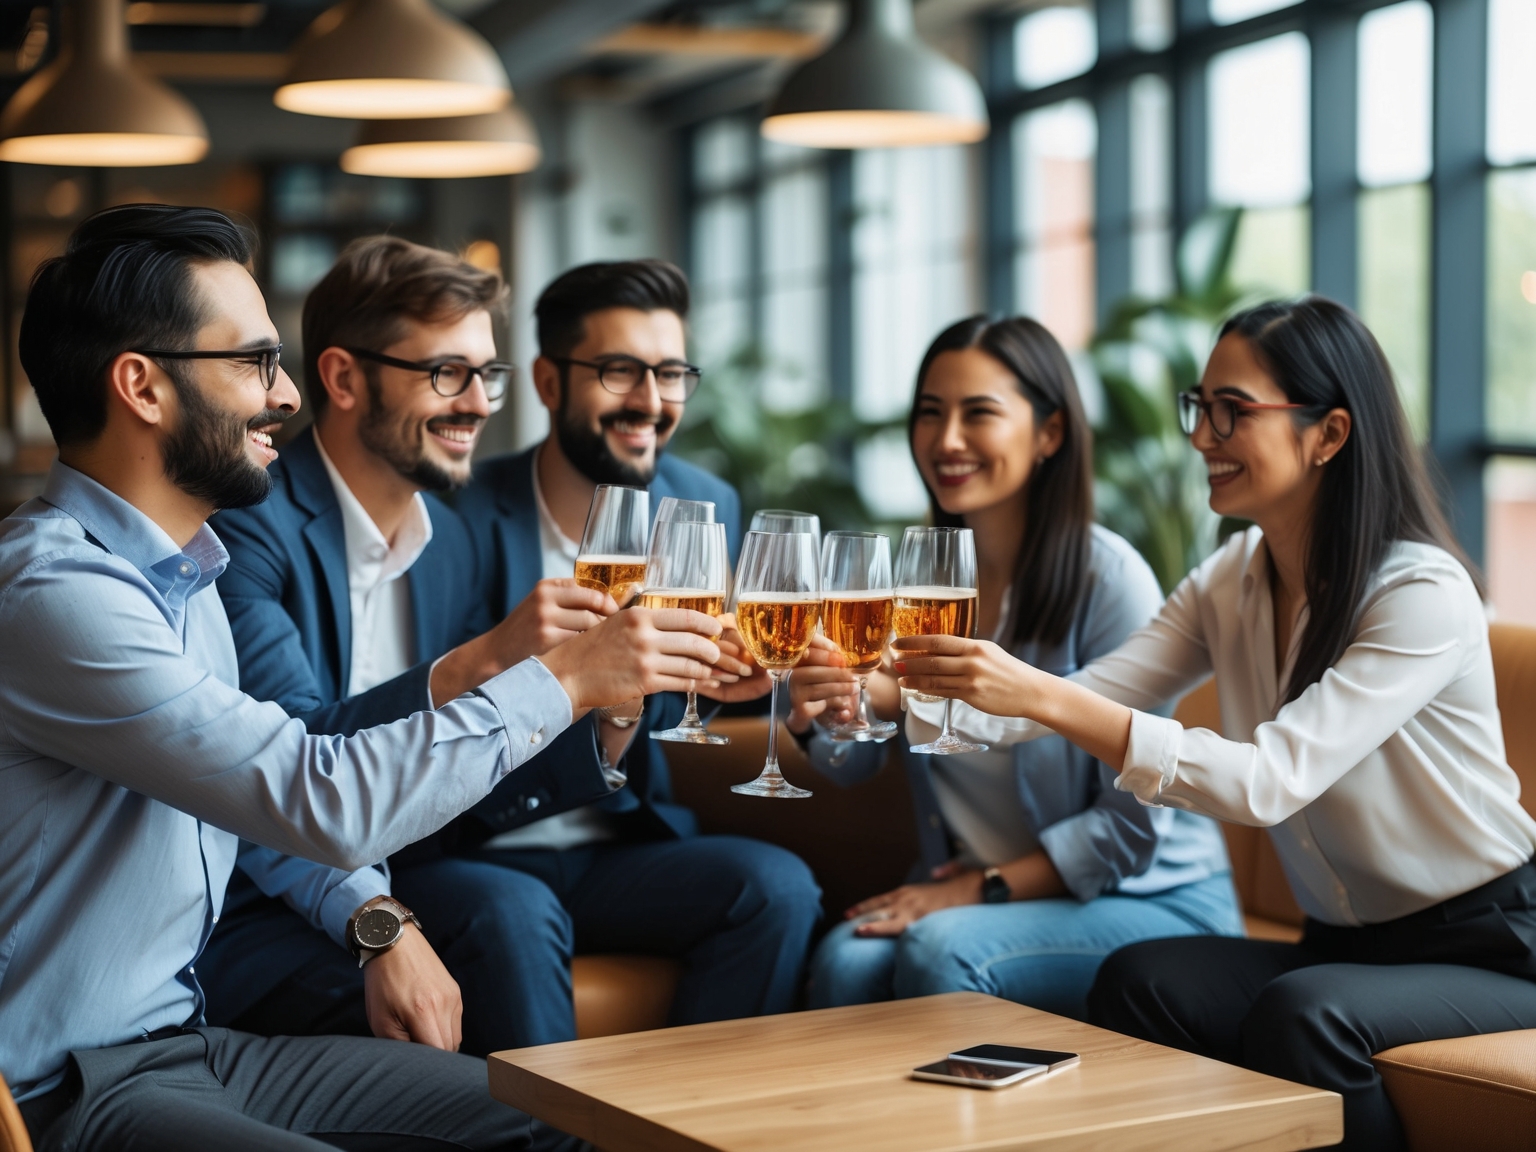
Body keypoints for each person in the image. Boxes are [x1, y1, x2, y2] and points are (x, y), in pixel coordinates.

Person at [0, 205, 727, 1151]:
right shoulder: (57, 594)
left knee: (570, 1122)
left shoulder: (186, 575)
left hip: (189, 1046)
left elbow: (250, 798)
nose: (287, 395)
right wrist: (565, 679)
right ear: (141, 386)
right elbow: (317, 794)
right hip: (66, 1087)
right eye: (254, 361)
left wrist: (377, 921)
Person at [892, 298, 1536, 1152]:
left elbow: (1268, 781)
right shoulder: (1231, 580)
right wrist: (874, 688)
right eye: (1201, 408)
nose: (1202, 437)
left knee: (1308, 1014)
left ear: (1329, 433)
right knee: (1142, 979)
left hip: (1490, 944)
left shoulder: (1421, 593)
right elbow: (1070, 699)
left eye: (1232, 411)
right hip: (1346, 944)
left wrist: (1041, 695)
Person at [198, 237, 764, 1055]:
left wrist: (609, 709)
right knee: (507, 906)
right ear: (344, 378)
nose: (478, 403)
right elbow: (291, 767)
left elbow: (463, 769)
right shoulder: (251, 524)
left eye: (485, 374)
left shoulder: (448, 540)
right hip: (272, 899)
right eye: (446, 373)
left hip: (425, 863)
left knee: (760, 886)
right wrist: (490, 658)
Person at [786, 315, 1241, 1019]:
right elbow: (855, 764)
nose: (947, 441)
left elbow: (1130, 828)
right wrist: (828, 713)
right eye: (930, 414)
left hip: (1150, 900)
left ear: (1050, 433)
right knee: (845, 957)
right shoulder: (922, 585)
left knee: (941, 952)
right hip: (980, 891)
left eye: (979, 414)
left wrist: (977, 888)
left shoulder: (1107, 579)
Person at [441, 258, 820, 1044]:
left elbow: (698, 686)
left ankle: (687, 1125)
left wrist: (749, 684)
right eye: (621, 371)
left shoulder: (704, 502)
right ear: (548, 382)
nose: (652, 401)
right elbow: (431, 707)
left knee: (777, 888)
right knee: (515, 911)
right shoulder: (457, 512)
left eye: (672, 372)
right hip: (477, 843)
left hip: (621, 843)